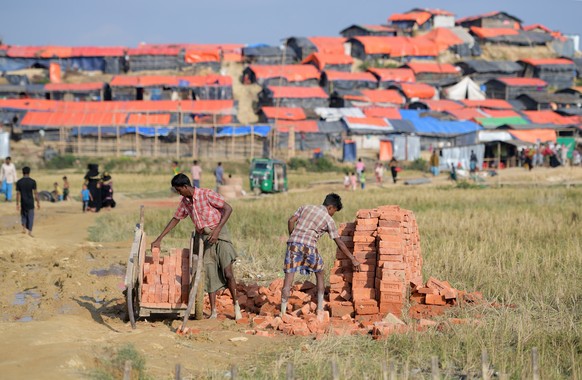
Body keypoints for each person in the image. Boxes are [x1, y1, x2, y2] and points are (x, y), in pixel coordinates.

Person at [151, 173, 242, 320]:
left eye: (179, 190)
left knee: (228, 273)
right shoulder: (185, 202)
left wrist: (217, 230)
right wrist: (159, 238)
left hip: (219, 234)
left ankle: (236, 306)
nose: (179, 193)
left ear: (186, 186)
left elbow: (228, 208)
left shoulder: (206, 194)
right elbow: (176, 219)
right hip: (204, 239)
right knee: (209, 274)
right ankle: (213, 311)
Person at [281, 193, 360, 316]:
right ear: (330, 207)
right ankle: (320, 309)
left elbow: (291, 220)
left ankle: (282, 313)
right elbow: (339, 242)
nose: (333, 214)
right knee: (320, 272)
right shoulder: (328, 219)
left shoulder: (305, 207)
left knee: (288, 279)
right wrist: (353, 259)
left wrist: (292, 236)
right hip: (309, 248)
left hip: (292, 245)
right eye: (334, 211)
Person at [16, 166, 40, 236]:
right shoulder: (33, 182)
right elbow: (35, 193)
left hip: (23, 202)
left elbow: (18, 194)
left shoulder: (19, 182)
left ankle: (23, 228)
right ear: (29, 172)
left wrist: (17, 203)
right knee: (30, 216)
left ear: (22, 172)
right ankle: (30, 231)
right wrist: (38, 202)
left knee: (23, 215)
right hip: (30, 202)